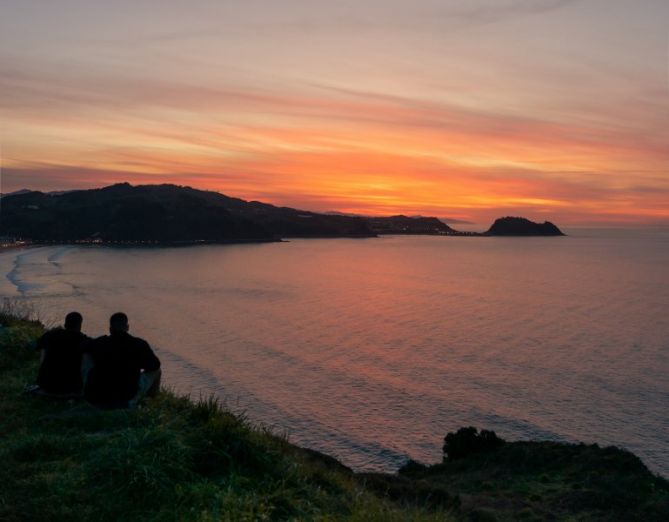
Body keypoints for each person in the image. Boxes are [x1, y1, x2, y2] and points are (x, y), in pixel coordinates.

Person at [83, 312, 161, 409]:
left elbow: (83, 346)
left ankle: (84, 390)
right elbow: (155, 365)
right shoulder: (138, 344)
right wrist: (136, 365)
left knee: (86, 355)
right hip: (125, 397)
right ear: (127, 327)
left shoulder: (100, 342)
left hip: (96, 398)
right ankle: (149, 403)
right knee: (157, 371)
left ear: (110, 329)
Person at [35, 311, 89, 396]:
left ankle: (45, 377)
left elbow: (36, 345)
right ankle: (83, 388)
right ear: (80, 326)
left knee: (43, 347)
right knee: (88, 354)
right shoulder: (83, 340)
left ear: (65, 324)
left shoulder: (51, 334)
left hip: (46, 385)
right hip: (71, 387)